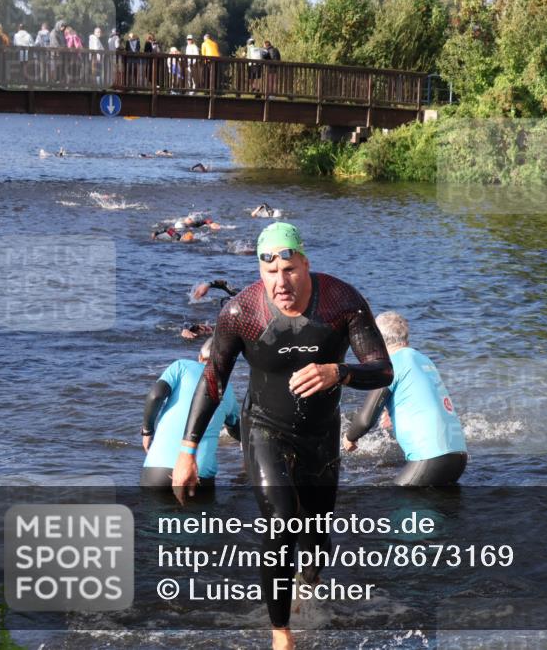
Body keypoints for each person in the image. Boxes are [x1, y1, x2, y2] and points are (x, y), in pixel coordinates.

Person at [171, 222, 392, 650]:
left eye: (289, 270)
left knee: (317, 541)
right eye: (270, 272)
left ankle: (308, 583)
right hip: (264, 428)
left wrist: (339, 372)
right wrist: (187, 451)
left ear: (305, 264)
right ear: (260, 272)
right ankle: (281, 634)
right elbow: (213, 380)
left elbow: (383, 370)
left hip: (320, 435)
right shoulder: (241, 313)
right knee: (281, 519)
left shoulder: (341, 301)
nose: (281, 282)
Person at [345, 311, 468, 486]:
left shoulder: (391, 364)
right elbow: (423, 395)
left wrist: (350, 437)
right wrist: (393, 409)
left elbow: (365, 420)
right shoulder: (423, 359)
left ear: (377, 340)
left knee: (395, 499)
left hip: (431, 457)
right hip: (458, 457)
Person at [141, 337, 240, 489]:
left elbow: (156, 396)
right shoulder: (229, 390)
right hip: (200, 472)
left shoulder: (181, 366)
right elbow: (237, 430)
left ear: (200, 356)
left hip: (158, 469)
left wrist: (147, 430)